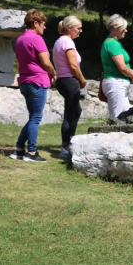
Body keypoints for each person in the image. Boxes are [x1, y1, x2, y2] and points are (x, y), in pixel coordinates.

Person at [10, 9, 56, 162]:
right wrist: (53, 73)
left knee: (32, 118)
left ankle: (18, 150)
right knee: (36, 118)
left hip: (25, 82)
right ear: (35, 23)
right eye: (43, 24)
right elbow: (46, 62)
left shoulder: (20, 39)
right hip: (38, 81)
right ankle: (31, 152)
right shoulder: (36, 39)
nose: (44, 27)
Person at [53, 15, 87, 159]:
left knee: (76, 111)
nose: (81, 31)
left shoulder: (59, 41)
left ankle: (70, 143)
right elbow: (73, 66)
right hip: (69, 81)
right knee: (70, 114)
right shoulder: (68, 42)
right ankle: (66, 147)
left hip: (62, 80)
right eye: (78, 28)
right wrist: (82, 79)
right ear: (69, 28)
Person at [100, 14, 133, 118]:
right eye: (123, 28)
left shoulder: (114, 43)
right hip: (116, 83)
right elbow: (122, 67)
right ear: (114, 29)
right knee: (117, 118)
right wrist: (132, 74)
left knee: (124, 117)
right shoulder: (113, 44)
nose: (126, 30)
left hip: (118, 84)